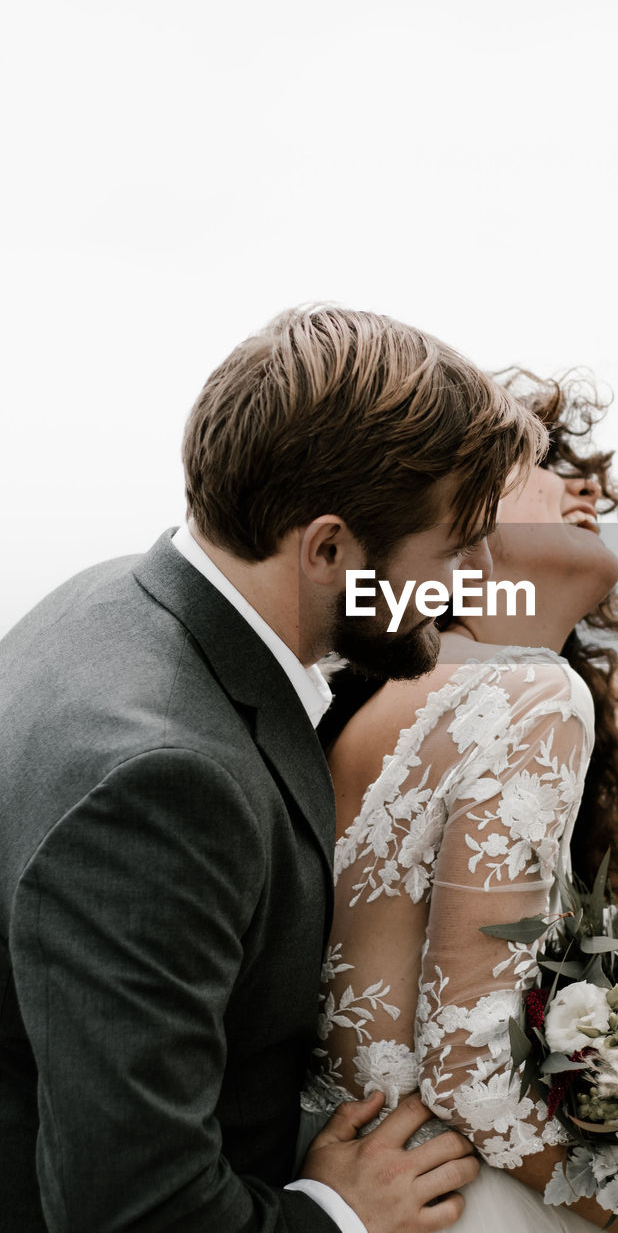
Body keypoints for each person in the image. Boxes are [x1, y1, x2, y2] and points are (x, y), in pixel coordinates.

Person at [0, 307, 548, 1232]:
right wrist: (336, 1213)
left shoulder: (108, 598)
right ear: (329, 548)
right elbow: (133, 1211)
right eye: (451, 548)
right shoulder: (165, 784)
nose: (475, 577)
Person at [305, 373, 618, 1231]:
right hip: (456, 1198)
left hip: (345, 1175)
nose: (580, 490)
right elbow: (471, 1072)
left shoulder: (374, 714)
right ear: (453, 525)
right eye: (536, 463)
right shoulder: (526, 693)